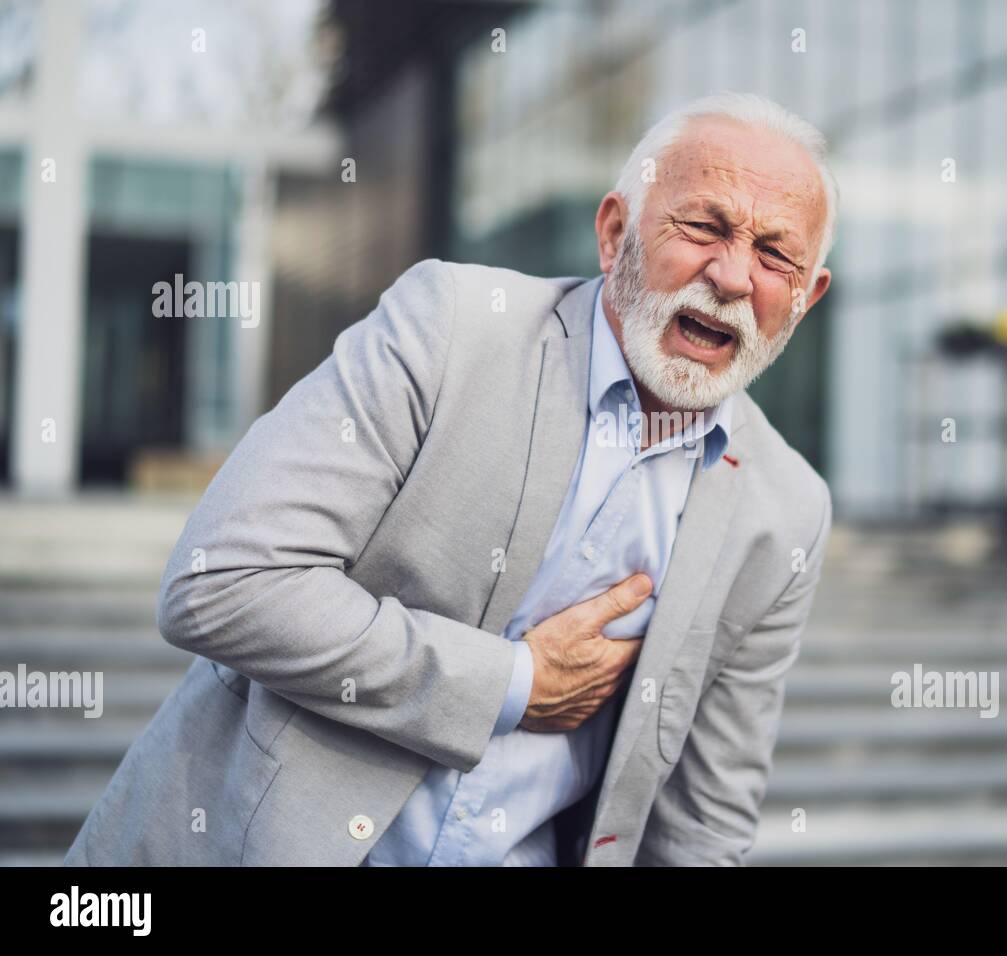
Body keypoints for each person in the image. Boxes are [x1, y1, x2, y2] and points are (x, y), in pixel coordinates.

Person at [64, 90, 836, 867]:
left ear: (806, 299)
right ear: (615, 234)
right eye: (703, 226)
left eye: (777, 255)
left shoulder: (787, 511)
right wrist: (512, 682)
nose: (734, 276)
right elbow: (221, 582)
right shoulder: (451, 327)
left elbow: (701, 827)